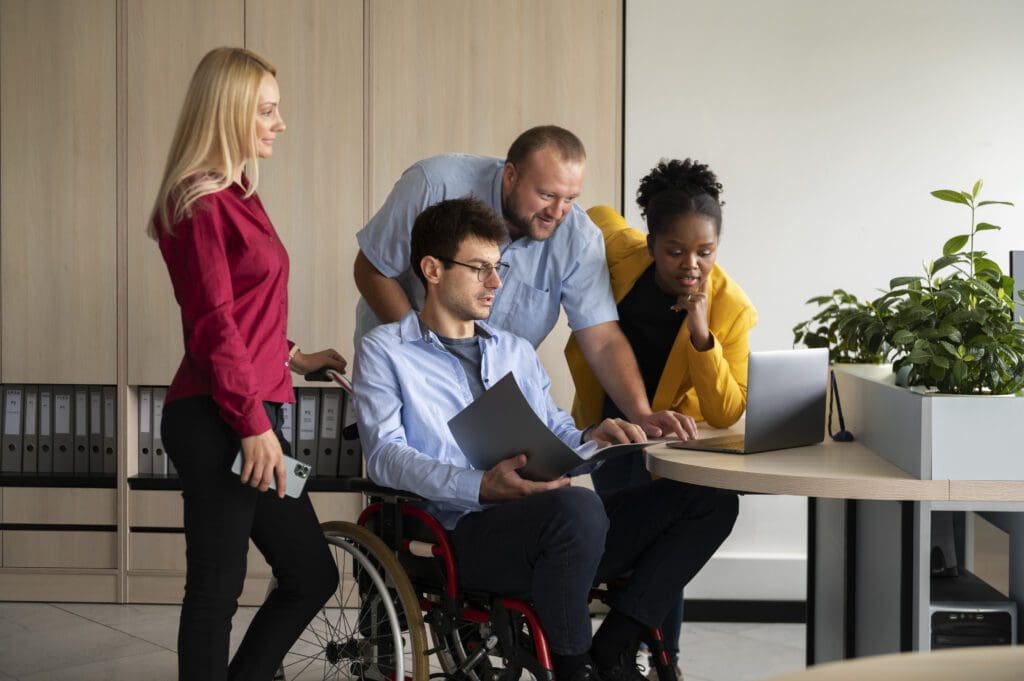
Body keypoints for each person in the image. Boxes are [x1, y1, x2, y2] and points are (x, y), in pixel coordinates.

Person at [353, 197, 738, 681]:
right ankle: (574, 667)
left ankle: (613, 645)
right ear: (432, 269)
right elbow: (385, 456)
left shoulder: (513, 350)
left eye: (498, 268)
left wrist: (596, 438)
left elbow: (557, 432)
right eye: (479, 269)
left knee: (709, 500)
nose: (496, 283)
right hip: (459, 534)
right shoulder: (386, 351)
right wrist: (480, 486)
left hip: (553, 526)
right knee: (577, 508)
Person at [148, 47, 347, 681]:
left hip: (253, 413)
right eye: (265, 110)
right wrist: (252, 425)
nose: (279, 123)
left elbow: (246, 309)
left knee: (311, 573)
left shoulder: (239, 195)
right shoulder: (199, 201)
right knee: (216, 589)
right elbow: (213, 323)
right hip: (221, 418)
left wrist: (295, 356)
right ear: (228, 112)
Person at [353, 125, 695, 441]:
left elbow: (603, 339)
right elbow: (372, 269)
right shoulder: (434, 184)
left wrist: (641, 414)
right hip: (406, 366)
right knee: (412, 469)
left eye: (570, 199)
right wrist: (426, 357)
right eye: (546, 195)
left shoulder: (579, 238)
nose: (557, 212)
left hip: (490, 394)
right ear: (511, 176)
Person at [566, 159, 757, 674]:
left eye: (705, 252)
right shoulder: (620, 251)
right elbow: (591, 216)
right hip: (612, 426)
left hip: (672, 438)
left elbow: (726, 410)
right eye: (674, 251)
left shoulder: (731, 307)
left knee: (664, 547)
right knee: (623, 541)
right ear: (651, 245)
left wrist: (700, 331)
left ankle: (660, 658)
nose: (691, 264)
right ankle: (617, 653)